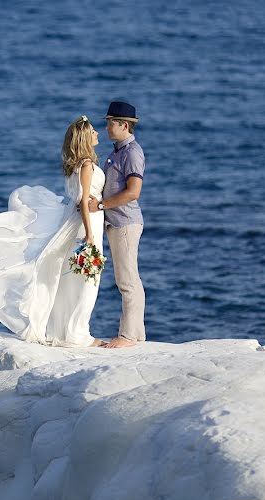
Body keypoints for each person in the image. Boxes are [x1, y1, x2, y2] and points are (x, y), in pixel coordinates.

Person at [0, 116, 107, 347]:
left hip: (79, 221)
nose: (98, 133)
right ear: (86, 138)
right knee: (88, 280)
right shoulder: (86, 165)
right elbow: (85, 202)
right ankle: (78, 334)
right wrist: (89, 234)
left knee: (73, 280)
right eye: (94, 131)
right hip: (86, 224)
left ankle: (65, 331)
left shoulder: (75, 165)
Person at [86, 101, 146, 349]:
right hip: (117, 222)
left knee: (127, 280)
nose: (107, 126)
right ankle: (136, 334)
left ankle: (129, 336)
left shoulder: (132, 153)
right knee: (127, 278)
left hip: (125, 223)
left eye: (111, 122)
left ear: (124, 125)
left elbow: (134, 192)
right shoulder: (118, 152)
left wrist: (100, 206)